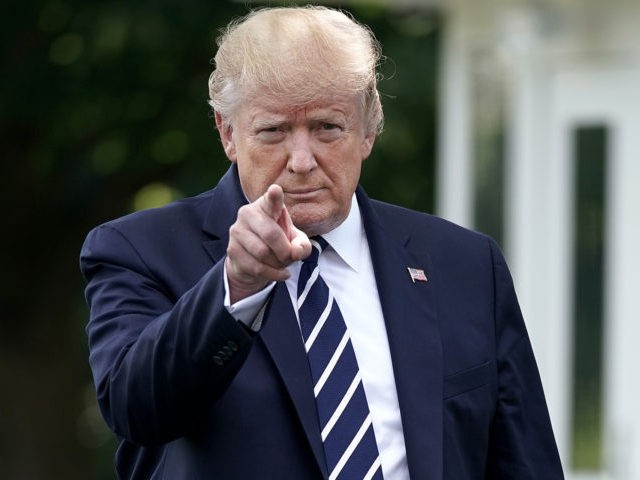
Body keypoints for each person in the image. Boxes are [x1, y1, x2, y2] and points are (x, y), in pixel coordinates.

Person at [80, 5, 564, 479]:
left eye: (327, 127)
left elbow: (525, 460)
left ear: (368, 129)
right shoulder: (139, 251)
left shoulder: (463, 264)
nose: (302, 160)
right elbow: (136, 410)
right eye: (273, 131)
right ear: (228, 133)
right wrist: (234, 289)